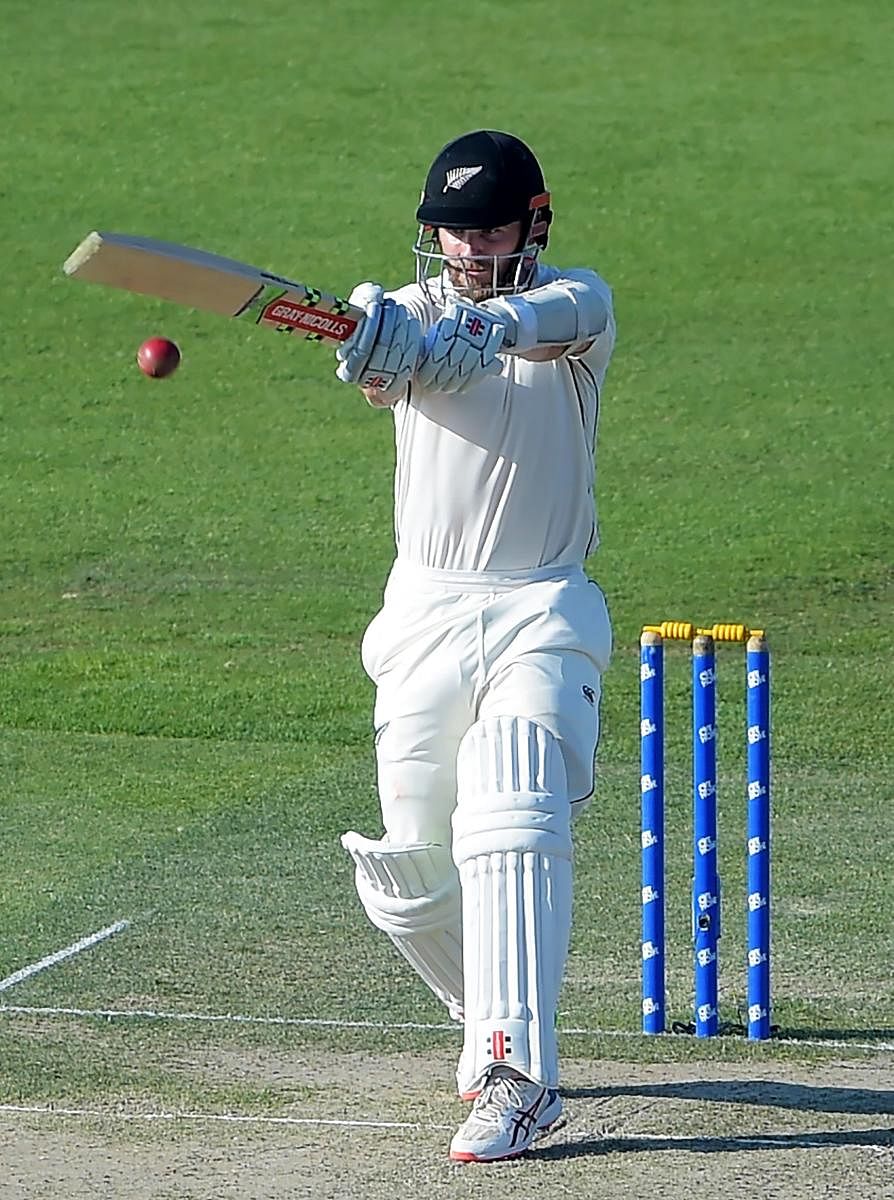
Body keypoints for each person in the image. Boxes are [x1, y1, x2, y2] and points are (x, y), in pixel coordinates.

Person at [335, 129, 616, 1163]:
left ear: (533, 223)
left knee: (512, 802)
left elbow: (555, 319)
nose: (465, 249)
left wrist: (488, 329)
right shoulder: (415, 315)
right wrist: (378, 349)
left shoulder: (578, 305)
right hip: (424, 614)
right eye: (449, 234)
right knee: (407, 872)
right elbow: (381, 358)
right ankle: (488, 1013)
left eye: (486, 229)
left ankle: (516, 1072)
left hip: (541, 605)